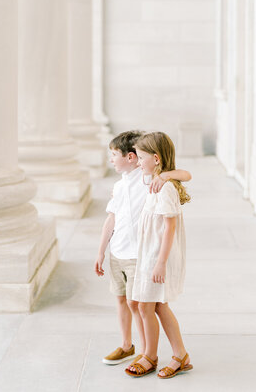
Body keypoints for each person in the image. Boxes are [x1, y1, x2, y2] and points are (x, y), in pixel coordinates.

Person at [94, 130, 191, 366]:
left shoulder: (147, 178)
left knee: (142, 304)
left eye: (114, 154)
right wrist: (101, 251)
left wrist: (166, 174)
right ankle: (129, 346)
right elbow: (111, 218)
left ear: (133, 158)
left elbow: (185, 174)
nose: (110, 160)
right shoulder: (119, 186)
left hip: (140, 254)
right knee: (125, 301)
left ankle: (148, 353)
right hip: (118, 250)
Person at [125, 131, 192, 379]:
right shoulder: (151, 179)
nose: (137, 161)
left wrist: (161, 263)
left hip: (158, 257)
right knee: (156, 306)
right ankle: (180, 355)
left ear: (155, 158)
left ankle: (151, 356)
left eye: (141, 157)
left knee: (146, 306)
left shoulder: (165, 189)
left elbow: (169, 228)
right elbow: (185, 174)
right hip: (150, 254)